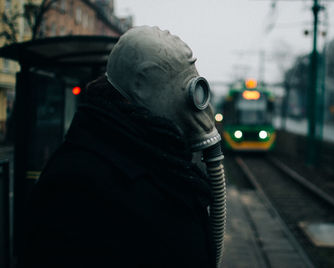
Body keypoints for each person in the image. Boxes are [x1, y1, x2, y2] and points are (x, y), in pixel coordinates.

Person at [21, 26, 226, 268]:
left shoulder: (160, 155)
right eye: (185, 86)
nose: (194, 105)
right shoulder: (75, 183)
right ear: (140, 85)